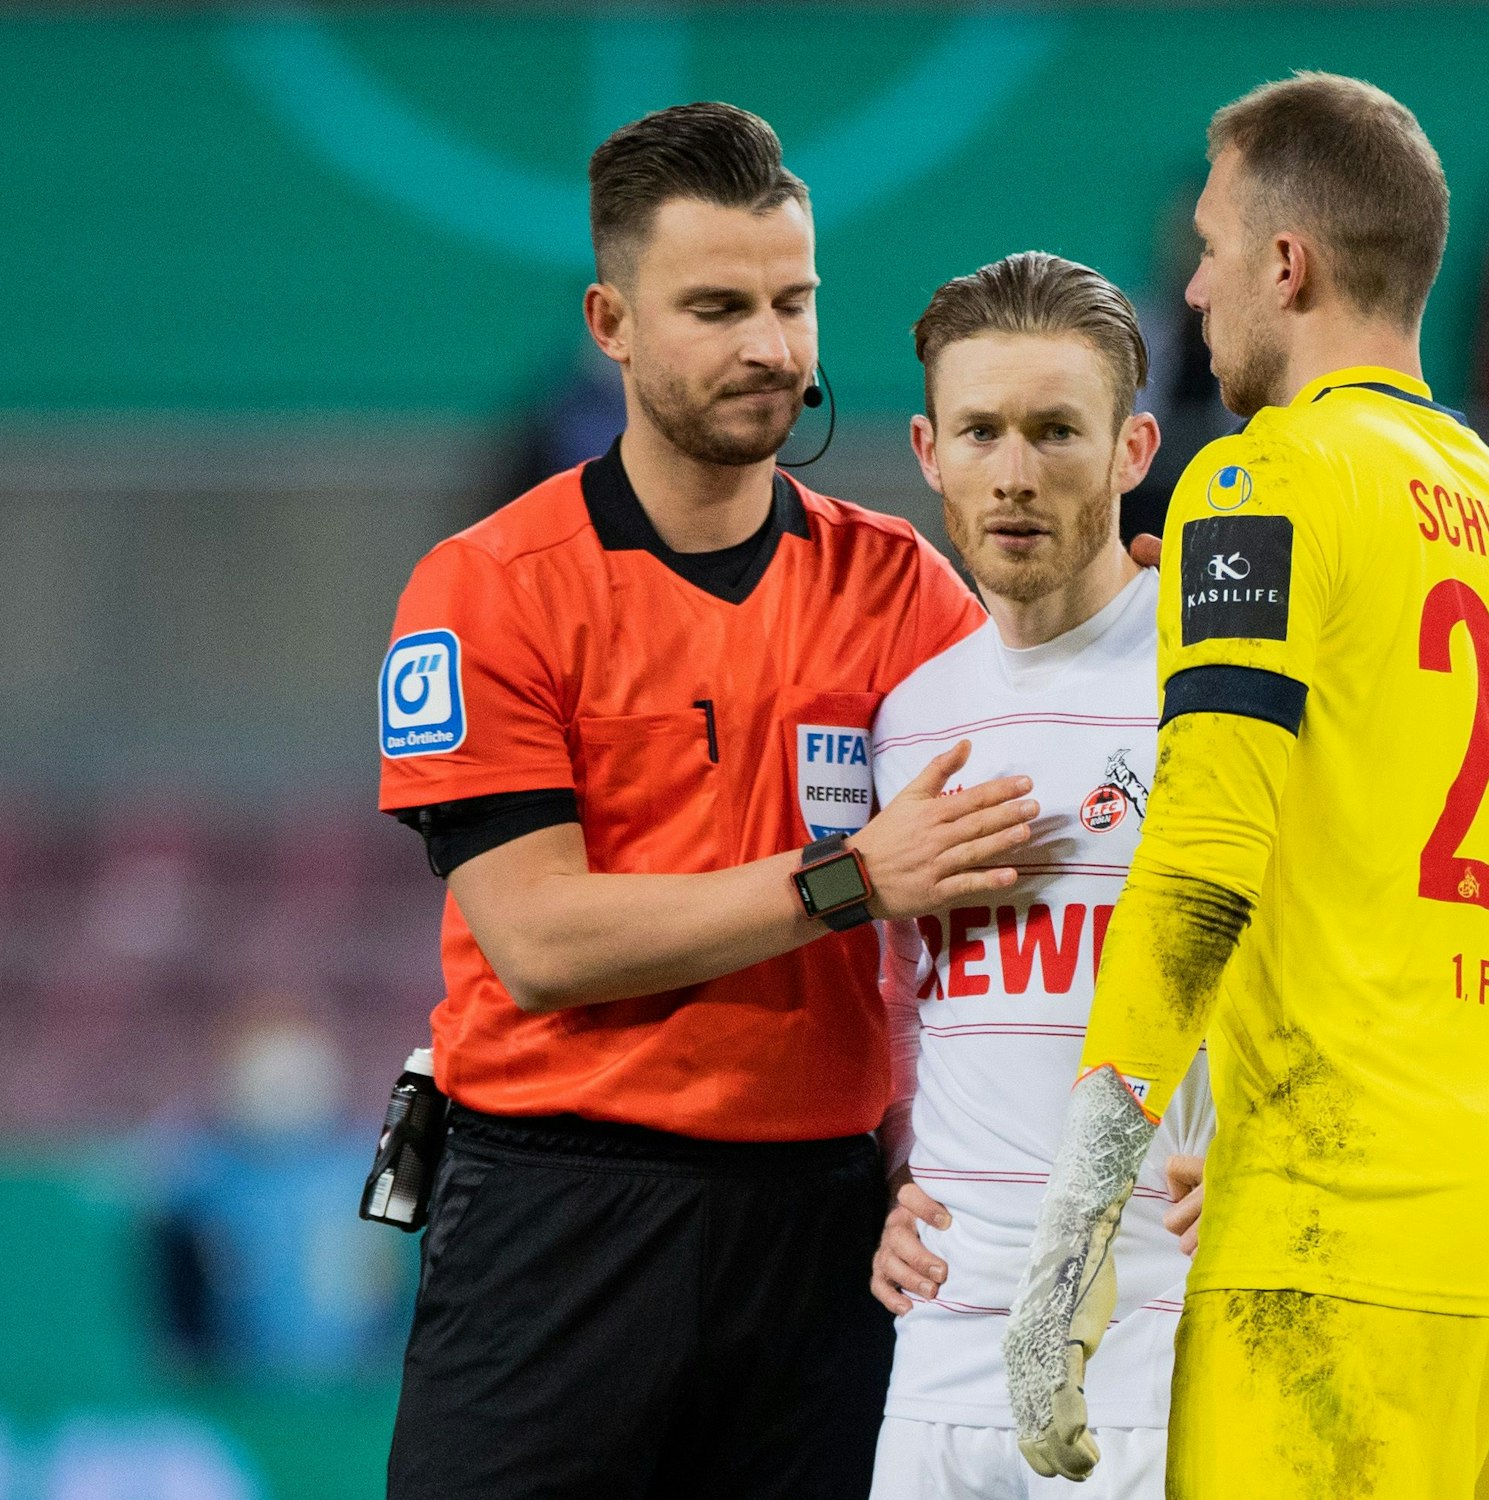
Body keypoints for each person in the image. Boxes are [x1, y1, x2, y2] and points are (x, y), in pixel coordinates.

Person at [1003, 73, 1489, 1497]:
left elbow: (1200, 855)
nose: (1188, 288)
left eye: (1206, 247)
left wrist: (1078, 1218)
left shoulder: (1262, 485)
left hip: (1340, 1239)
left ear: (1286, 264)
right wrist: (1466, 987)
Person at [375, 103, 1041, 1500]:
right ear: (610, 321)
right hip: (559, 1222)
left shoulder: (904, 588)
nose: (770, 346)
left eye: (793, 300)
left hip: (824, 1233)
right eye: (718, 306)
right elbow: (540, 941)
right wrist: (852, 878)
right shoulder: (487, 587)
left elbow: (1036, 834)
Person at [866, 253, 1214, 1499]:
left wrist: (1270, 1153)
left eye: (1055, 431)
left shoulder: (1215, 683)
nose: (1014, 473)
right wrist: (887, 1182)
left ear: (1132, 449)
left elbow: (1343, 950)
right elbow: (901, 1005)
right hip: (944, 1337)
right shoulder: (909, 718)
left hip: (1156, 1332)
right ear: (927, 449)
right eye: (981, 431)